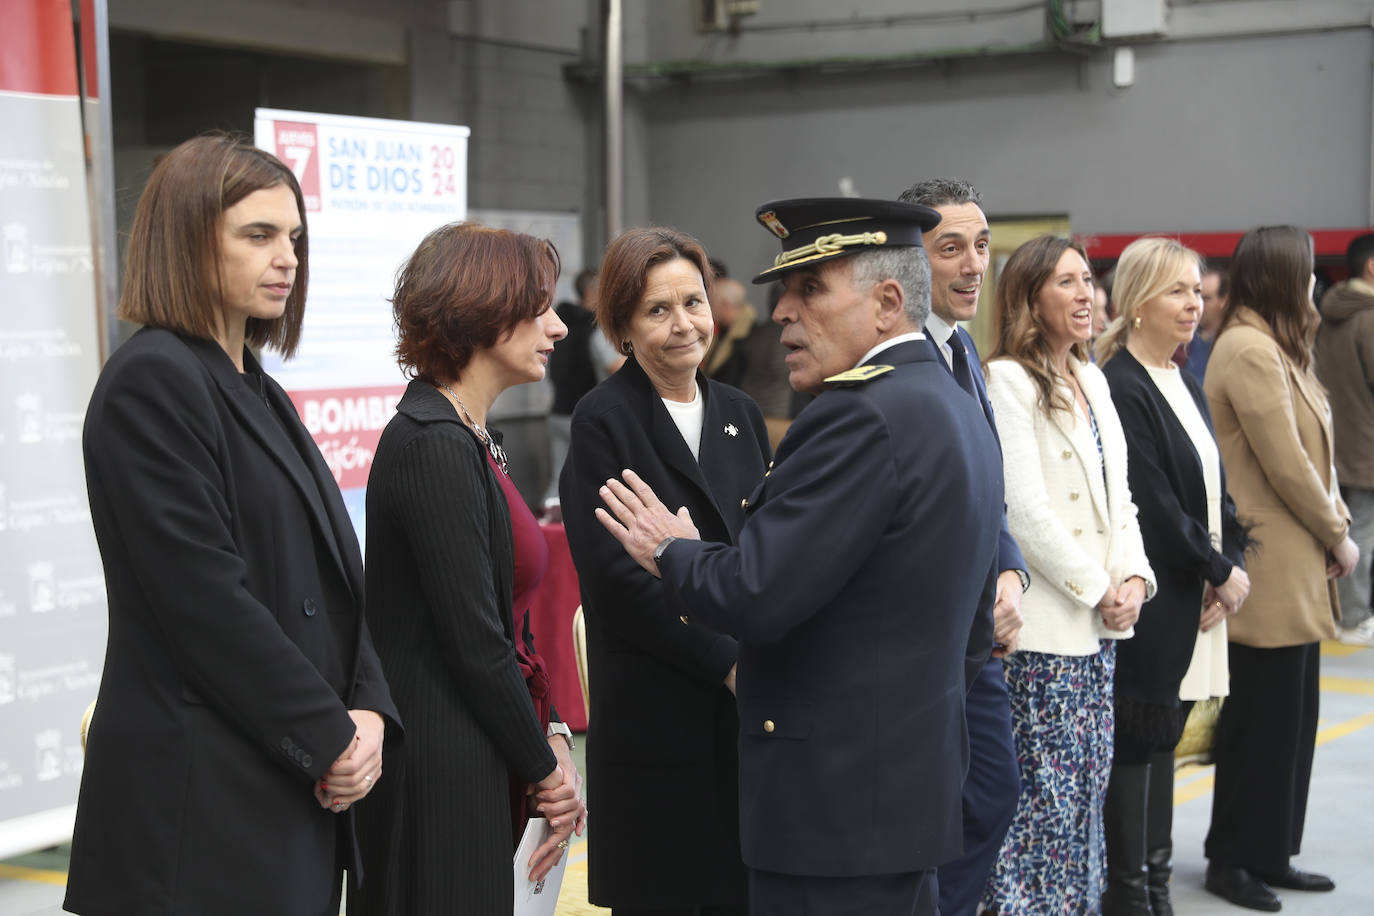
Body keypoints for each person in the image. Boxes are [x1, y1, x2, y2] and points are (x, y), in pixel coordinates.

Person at [595, 197, 1005, 916]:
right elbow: (973, 629)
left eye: (810, 288)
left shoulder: (859, 415)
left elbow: (756, 590)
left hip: (831, 809)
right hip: (902, 795)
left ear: (885, 303)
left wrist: (671, 548)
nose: (782, 309)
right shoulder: (948, 399)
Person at [65, 133, 401, 916]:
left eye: (293, 238)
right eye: (258, 236)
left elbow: (337, 585)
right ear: (186, 240)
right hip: (201, 807)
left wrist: (370, 711)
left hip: (283, 792)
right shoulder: (151, 382)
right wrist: (329, 735)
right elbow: (204, 604)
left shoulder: (259, 389)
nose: (287, 258)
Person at [352, 222, 587, 915]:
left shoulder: (466, 436)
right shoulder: (431, 444)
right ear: (484, 311)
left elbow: (503, 625)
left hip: (472, 749)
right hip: (438, 767)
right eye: (539, 308)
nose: (558, 328)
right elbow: (474, 639)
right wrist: (545, 768)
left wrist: (550, 737)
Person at [560, 227, 770, 915]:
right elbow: (618, 587)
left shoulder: (740, 413)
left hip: (745, 724)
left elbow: (762, 551)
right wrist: (730, 661)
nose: (684, 323)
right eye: (658, 309)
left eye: (693, 301)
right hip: (662, 717)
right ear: (621, 326)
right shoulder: (604, 423)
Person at [982, 235, 1156, 915]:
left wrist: (1135, 582)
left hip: (1100, 637)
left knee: (1085, 795)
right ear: (1030, 298)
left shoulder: (1093, 376)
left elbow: (1123, 502)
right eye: (1067, 283)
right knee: (1039, 806)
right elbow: (1023, 512)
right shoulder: (1007, 380)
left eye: (1089, 280)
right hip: (1046, 636)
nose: (1087, 295)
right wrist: (1098, 586)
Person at [1202, 225, 1359, 912]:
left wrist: (1333, 530)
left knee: (1293, 720)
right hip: (1269, 562)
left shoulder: (1274, 346)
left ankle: (1271, 852)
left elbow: (1312, 455)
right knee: (1260, 724)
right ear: (1276, 278)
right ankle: (1232, 858)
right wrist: (1339, 533)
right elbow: (1287, 463)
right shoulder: (1247, 350)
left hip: (1295, 561)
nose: (1313, 284)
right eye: (1304, 273)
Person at [1096, 237, 1253, 915]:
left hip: (1194, 591)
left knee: (1165, 740)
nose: (1195, 304)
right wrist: (1216, 570)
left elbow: (1215, 490)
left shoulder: (1181, 378)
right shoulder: (1123, 384)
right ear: (1135, 304)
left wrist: (1233, 563)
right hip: (1157, 597)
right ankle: (1133, 894)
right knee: (1141, 740)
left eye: (1198, 291)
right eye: (1178, 292)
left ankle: (1155, 887)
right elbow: (1155, 504)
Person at [896, 178, 1028, 916]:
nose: (974, 264)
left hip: (977, 632)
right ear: (909, 261)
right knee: (944, 811)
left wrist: (1009, 574)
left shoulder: (961, 349)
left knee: (993, 793)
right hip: (927, 636)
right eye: (951, 248)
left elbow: (988, 488)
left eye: (981, 245)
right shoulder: (894, 360)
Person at [1315, 232, 1374, 647]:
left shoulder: (1329, 314)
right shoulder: (1369, 317)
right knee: (1363, 534)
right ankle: (1354, 617)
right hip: (1367, 446)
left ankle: (1344, 613)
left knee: (1346, 529)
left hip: (1337, 442)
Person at [546, 267, 603, 504]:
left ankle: (548, 522)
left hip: (557, 410)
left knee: (559, 476)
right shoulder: (592, 328)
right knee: (592, 476)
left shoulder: (561, 322)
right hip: (583, 412)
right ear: (591, 292)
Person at [1182, 267, 1228, 384]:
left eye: (1206, 299)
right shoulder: (1185, 336)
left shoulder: (1230, 341)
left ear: (1224, 301)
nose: (1198, 304)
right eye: (1197, 295)